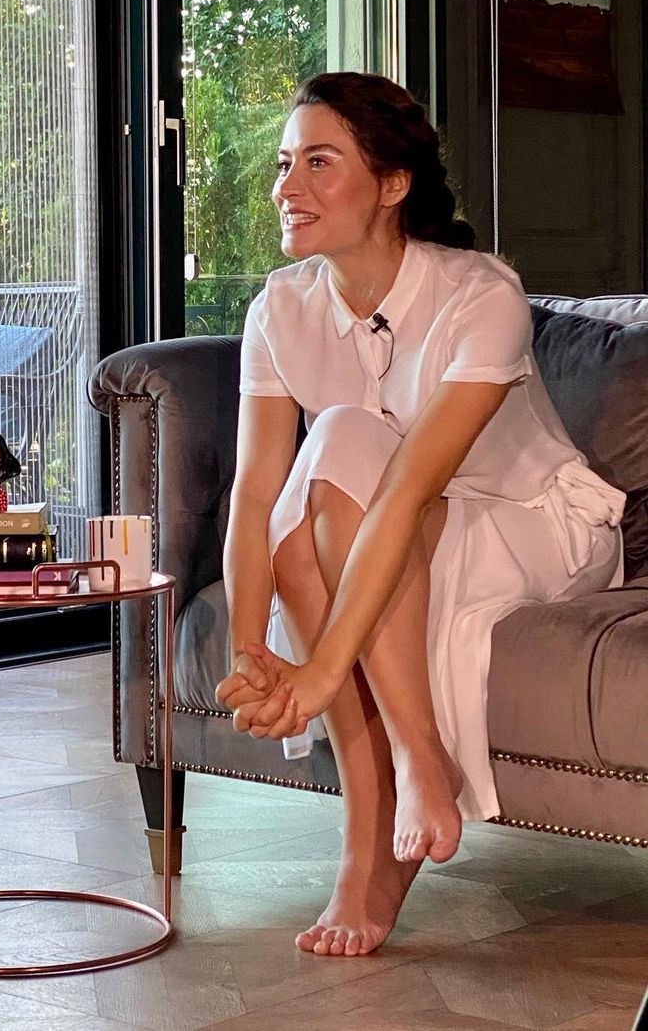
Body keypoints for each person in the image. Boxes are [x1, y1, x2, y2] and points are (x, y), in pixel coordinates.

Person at [214, 71, 625, 958]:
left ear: (392, 183)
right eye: (285, 164)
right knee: (329, 464)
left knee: (351, 462)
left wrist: (321, 672)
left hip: (529, 520)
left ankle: (413, 762)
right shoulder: (280, 308)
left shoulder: (481, 293)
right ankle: (375, 817)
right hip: (385, 518)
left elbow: (408, 489)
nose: (287, 187)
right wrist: (253, 657)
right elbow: (253, 496)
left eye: (319, 162)